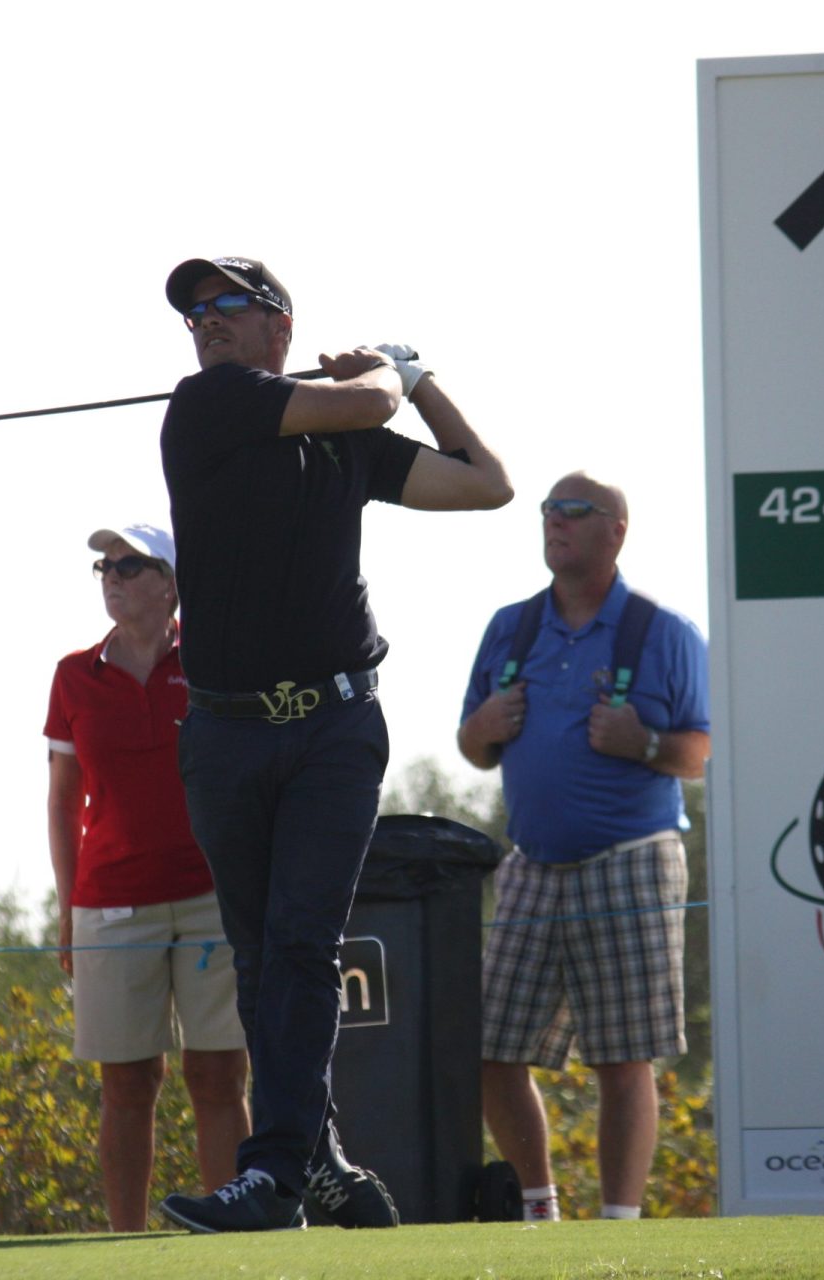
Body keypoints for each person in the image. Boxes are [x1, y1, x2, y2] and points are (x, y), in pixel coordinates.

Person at [155, 255, 513, 1233]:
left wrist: (420, 375)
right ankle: (321, 1158)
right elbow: (362, 400)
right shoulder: (207, 404)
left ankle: (272, 1173)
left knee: (305, 942)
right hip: (226, 732)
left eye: (227, 303)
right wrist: (389, 369)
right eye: (194, 309)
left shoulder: (349, 439)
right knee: (263, 954)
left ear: (279, 320)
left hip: (335, 725)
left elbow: (489, 484)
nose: (205, 320)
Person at [456, 471, 710, 1222]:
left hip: (631, 860)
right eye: (547, 511)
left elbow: (699, 752)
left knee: (622, 1058)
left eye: (573, 511)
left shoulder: (665, 631)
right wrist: (486, 727)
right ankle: (541, 1210)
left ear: (615, 530)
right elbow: (470, 746)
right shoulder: (511, 627)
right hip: (530, 864)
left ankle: (620, 1224)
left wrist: (645, 741)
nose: (554, 522)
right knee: (490, 1051)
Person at [45, 521, 250, 1232]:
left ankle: (232, 1234)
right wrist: (68, 910)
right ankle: (126, 1244)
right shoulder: (74, 674)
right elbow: (64, 800)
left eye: (130, 566)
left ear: (170, 582)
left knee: (218, 1074)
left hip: (212, 898)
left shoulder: (218, 657)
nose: (113, 576)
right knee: (129, 1083)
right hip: (110, 902)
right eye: (105, 566)